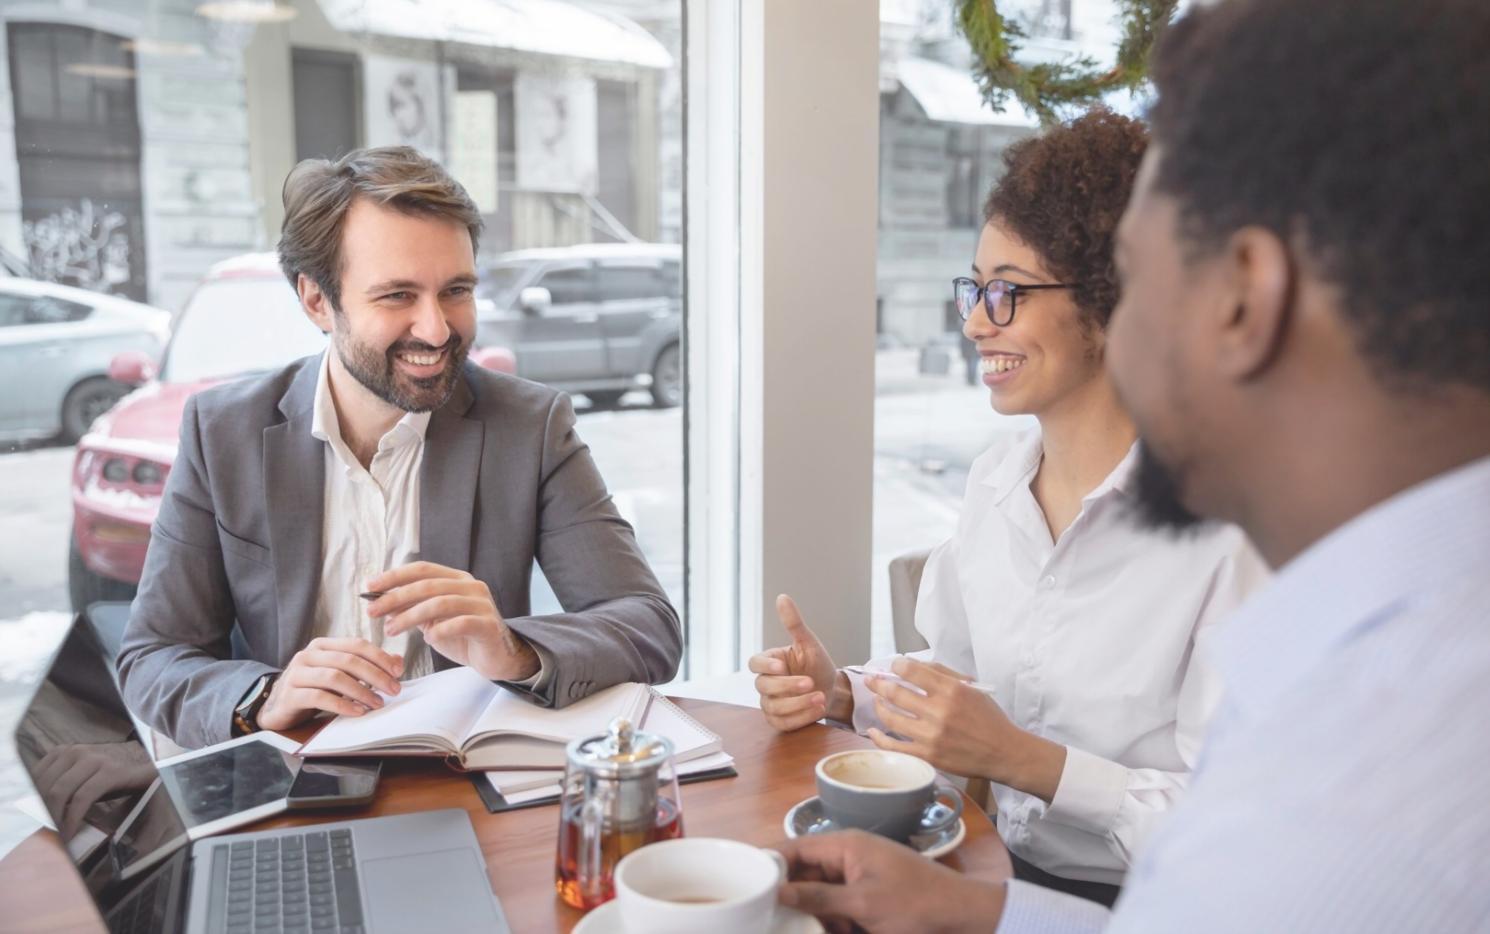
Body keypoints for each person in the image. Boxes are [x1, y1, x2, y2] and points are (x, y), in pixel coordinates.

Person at [770, 0, 1490, 930]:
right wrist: (973, 906)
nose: (977, 320)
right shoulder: (1384, 633)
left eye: (1140, 279)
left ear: (1242, 301)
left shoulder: (1343, 790)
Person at [751, 111, 1266, 902]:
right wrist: (849, 693)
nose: (973, 321)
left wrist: (1028, 761)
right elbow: (960, 682)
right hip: (994, 869)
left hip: (1150, 904)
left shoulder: (1226, 531)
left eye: (1009, 294)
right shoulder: (996, 482)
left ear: (1113, 300)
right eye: (976, 287)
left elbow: (1235, 830)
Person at [118, 146, 682, 749]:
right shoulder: (222, 431)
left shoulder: (530, 425)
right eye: (397, 296)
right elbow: (152, 658)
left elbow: (647, 627)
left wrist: (512, 648)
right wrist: (268, 696)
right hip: (298, 778)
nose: (437, 329)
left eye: (456, 290)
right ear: (317, 301)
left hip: (467, 780)